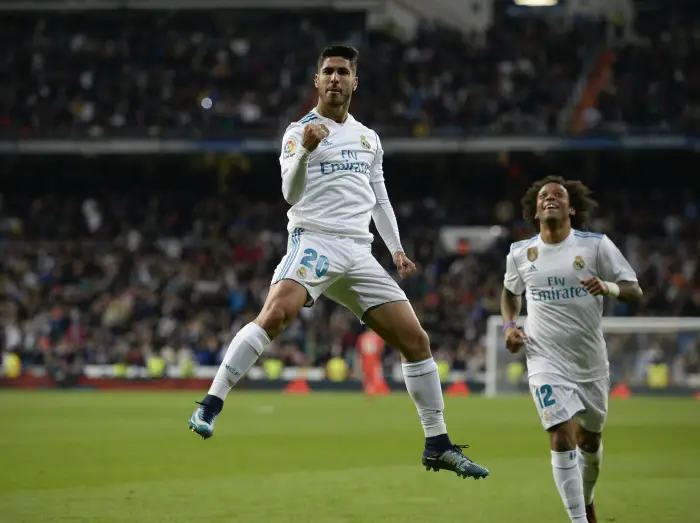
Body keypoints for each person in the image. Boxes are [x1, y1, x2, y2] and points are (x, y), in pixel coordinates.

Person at [188, 44, 489, 480]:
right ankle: (211, 404)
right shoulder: (299, 131)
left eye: (342, 72)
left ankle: (437, 442)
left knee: (416, 341)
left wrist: (397, 248)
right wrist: (307, 152)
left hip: (359, 252)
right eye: (327, 71)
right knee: (275, 314)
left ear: (354, 81)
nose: (334, 78)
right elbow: (290, 194)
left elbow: (379, 197)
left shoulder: (368, 138)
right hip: (316, 241)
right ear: (317, 81)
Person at [500, 175, 643, 522]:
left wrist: (607, 287)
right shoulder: (521, 253)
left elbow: (633, 289)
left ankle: (587, 499)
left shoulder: (594, 246)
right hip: (544, 358)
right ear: (535, 211)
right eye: (544, 196)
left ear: (572, 208)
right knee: (560, 436)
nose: (550, 198)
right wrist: (509, 325)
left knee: (589, 443)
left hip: (590, 361)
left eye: (558, 196)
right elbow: (509, 292)